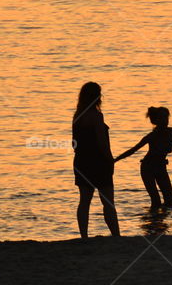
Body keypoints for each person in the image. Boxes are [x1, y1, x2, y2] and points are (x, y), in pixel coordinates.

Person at [72, 82, 120, 238]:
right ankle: (116, 235)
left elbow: (74, 143)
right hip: (99, 163)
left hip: (81, 161)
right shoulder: (96, 116)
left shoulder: (77, 116)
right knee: (107, 202)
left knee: (84, 201)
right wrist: (110, 160)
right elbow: (102, 143)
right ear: (97, 97)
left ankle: (84, 236)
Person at [114, 107, 172, 208]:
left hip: (161, 167)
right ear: (155, 121)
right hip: (148, 168)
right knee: (156, 201)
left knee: (170, 201)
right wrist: (115, 160)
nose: (165, 121)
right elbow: (133, 150)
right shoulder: (151, 136)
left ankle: (161, 221)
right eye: (162, 118)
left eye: (166, 118)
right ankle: (152, 222)